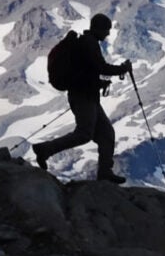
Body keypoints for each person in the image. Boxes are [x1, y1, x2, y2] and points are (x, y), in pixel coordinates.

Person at [34, 13, 133, 184]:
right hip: (83, 97)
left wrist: (99, 83)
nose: (108, 33)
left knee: (106, 134)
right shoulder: (90, 43)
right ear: (98, 29)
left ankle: (105, 173)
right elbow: (101, 67)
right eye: (106, 30)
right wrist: (122, 69)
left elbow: (87, 72)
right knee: (84, 134)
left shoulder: (86, 42)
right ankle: (45, 149)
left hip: (85, 95)